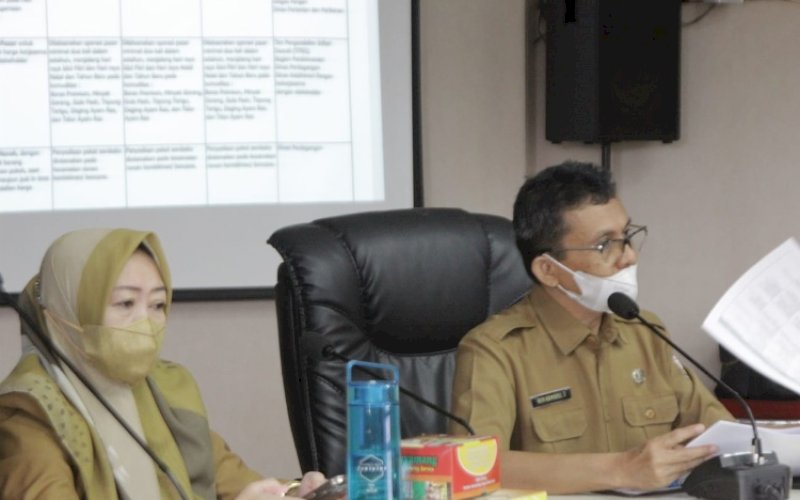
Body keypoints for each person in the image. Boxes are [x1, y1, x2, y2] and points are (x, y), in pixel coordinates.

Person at [449, 161, 733, 494]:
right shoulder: (494, 349)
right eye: (605, 245)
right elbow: (475, 468)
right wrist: (621, 470)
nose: (628, 257)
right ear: (548, 270)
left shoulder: (645, 331)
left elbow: (719, 431)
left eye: (627, 236)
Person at [0, 228, 325, 499]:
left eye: (157, 304)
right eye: (126, 303)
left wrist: (299, 493)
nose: (145, 322)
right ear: (66, 310)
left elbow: (237, 483)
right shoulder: (30, 415)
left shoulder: (166, 390)